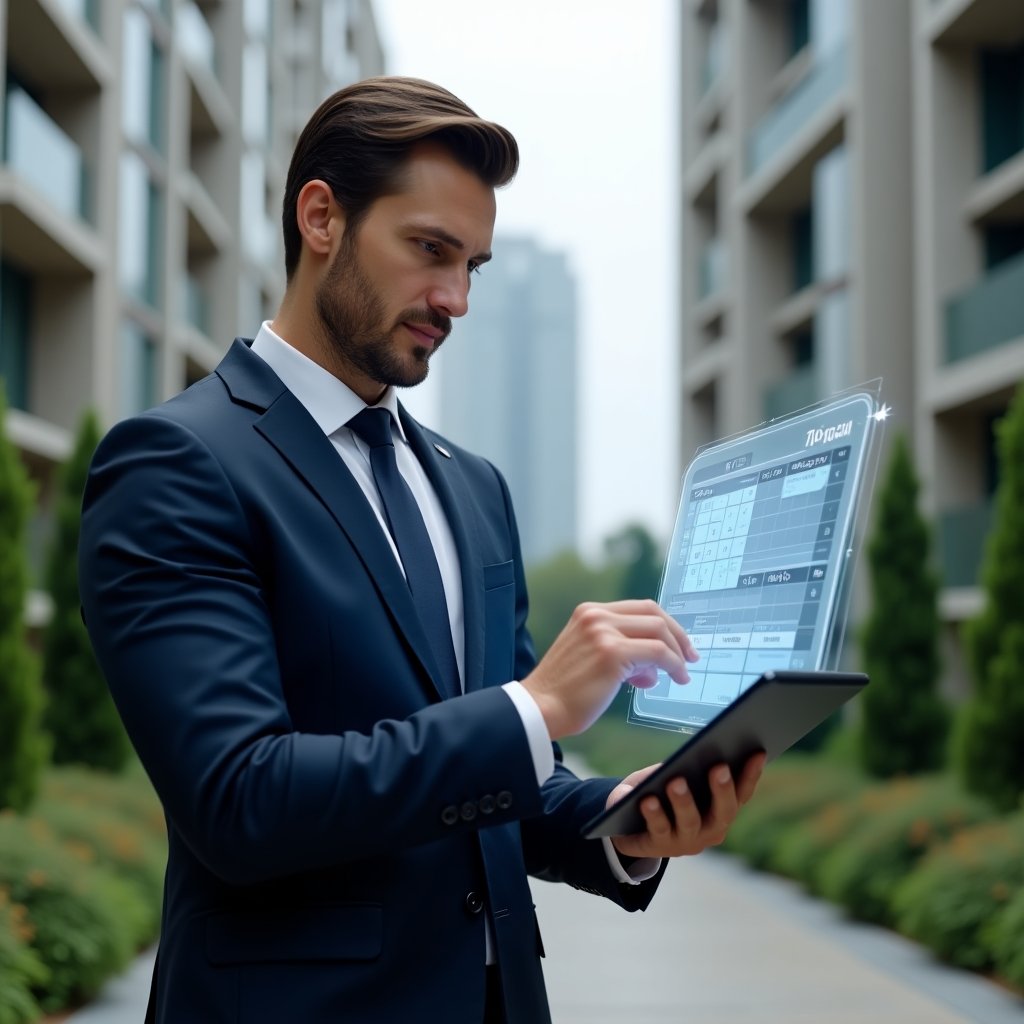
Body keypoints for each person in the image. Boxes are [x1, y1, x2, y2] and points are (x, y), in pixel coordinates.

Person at [78, 76, 764, 1024]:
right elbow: (238, 798)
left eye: (474, 264)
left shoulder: (472, 487)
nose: (456, 298)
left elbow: (499, 779)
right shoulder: (178, 463)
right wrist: (535, 707)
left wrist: (622, 824)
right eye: (430, 250)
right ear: (320, 216)